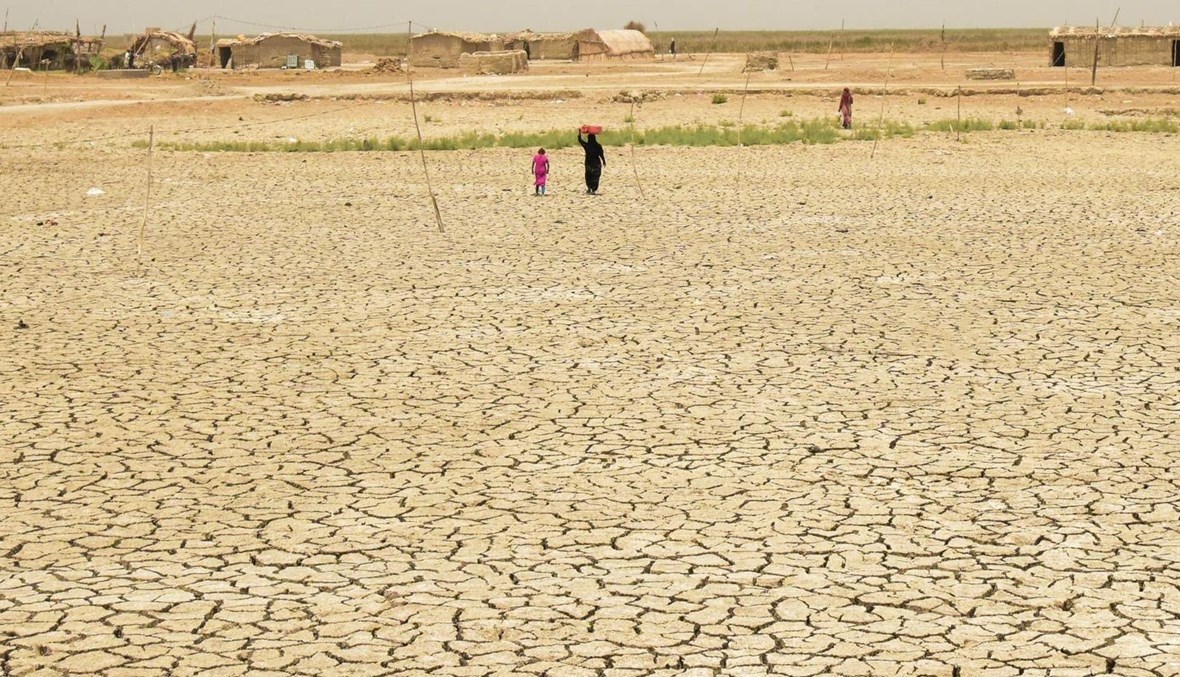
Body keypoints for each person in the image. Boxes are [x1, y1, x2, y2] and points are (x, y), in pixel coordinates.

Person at [577, 130, 605, 194]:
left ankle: (589, 188)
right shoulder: (598, 146)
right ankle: (594, 189)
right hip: (596, 163)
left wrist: (579, 133)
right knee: (596, 176)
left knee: (589, 175)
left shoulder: (587, 145)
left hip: (589, 162)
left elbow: (580, 141)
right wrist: (603, 161)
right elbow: (601, 154)